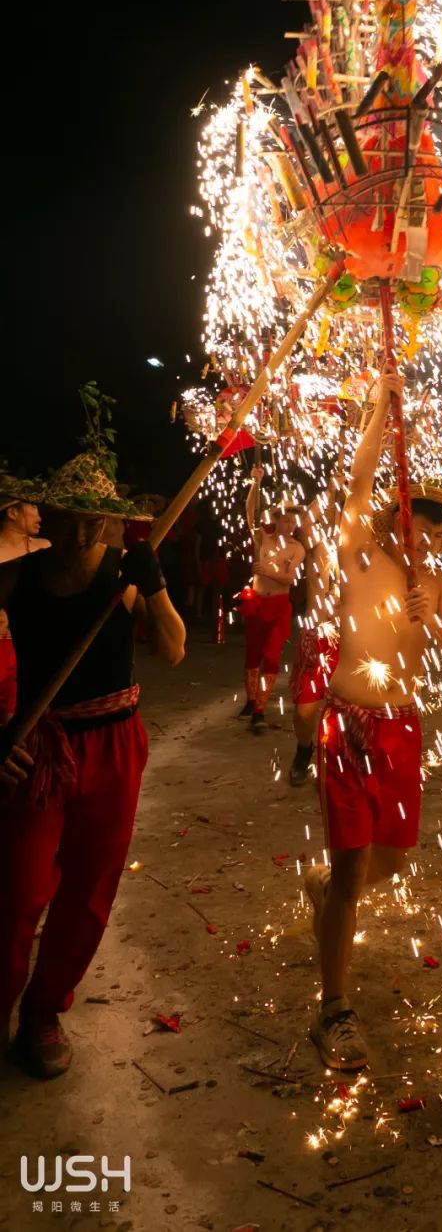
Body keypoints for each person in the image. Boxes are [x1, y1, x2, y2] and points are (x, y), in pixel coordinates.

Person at [303, 370, 442, 1070]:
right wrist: (381, 408)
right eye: (417, 525)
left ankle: (326, 889)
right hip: (346, 726)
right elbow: (358, 481)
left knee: (393, 861)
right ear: (396, 523)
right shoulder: (361, 557)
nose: (425, 540)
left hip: (404, 727)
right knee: (351, 871)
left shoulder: (434, 583)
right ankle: (333, 1010)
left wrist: (435, 627)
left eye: (435, 533)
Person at [0, 453, 185, 1079]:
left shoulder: (122, 575)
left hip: (114, 744)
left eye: (96, 520)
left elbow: (175, 649)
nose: (83, 532)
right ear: (48, 513)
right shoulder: (16, 577)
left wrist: (153, 586)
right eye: (72, 517)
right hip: (39, 748)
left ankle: (43, 1011)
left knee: (89, 891)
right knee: (19, 891)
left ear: (111, 522)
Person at [236, 465, 305, 733]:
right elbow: (249, 512)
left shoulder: (296, 548)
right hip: (256, 602)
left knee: (271, 655)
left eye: (292, 521)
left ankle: (260, 710)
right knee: (252, 655)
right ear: (275, 519)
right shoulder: (262, 536)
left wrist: (270, 572)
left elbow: (289, 580)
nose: (289, 525)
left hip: (278, 605)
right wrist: (256, 483)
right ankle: (251, 701)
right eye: (284, 520)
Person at [288, 470, 344, 786]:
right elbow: (307, 520)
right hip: (316, 635)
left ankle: (340, 765)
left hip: (349, 640)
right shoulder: (318, 545)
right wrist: (331, 488)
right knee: (305, 710)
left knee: (346, 713)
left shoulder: (361, 549)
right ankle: (303, 748)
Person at [0, 478, 49, 723]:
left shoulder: (46, 548)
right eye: (33, 507)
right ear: (12, 512)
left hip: (41, 641)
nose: (39, 515)